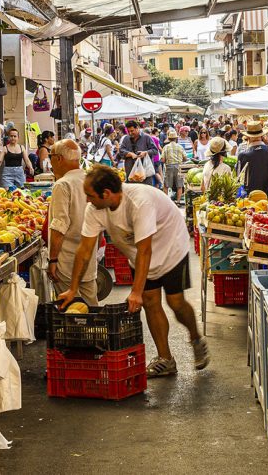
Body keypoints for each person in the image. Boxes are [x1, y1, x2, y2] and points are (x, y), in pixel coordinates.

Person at [59, 166, 209, 378]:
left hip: (171, 248)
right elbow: (84, 251)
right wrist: (73, 288)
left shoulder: (139, 202)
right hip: (138, 255)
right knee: (150, 302)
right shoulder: (95, 209)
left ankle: (196, 338)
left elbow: (145, 250)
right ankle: (165, 359)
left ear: (107, 193)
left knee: (176, 303)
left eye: (90, 195)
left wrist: (135, 291)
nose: (87, 200)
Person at [43, 140, 98, 305]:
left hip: (67, 260)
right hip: (89, 257)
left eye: (50, 157)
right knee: (91, 306)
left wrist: (53, 260)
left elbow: (60, 226)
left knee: (72, 310)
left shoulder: (63, 185)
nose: (50, 162)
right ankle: (98, 331)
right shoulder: (90, 179)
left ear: (58, 159)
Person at [236, 121, 268, 196]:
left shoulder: (243, 155)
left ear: (247, 137)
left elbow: (238, 178)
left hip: (250, 195)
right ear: (262, 135)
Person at [160, 129, 187, 204]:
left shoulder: (166, 147)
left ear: (168, 138)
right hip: (179, 166)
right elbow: (185, 158)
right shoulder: (180, 147)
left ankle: (166, 202)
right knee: (179, 185)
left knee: (166, 185)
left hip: (169, 166)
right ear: (176, 138)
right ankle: (178, 201)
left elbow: (163, 159)